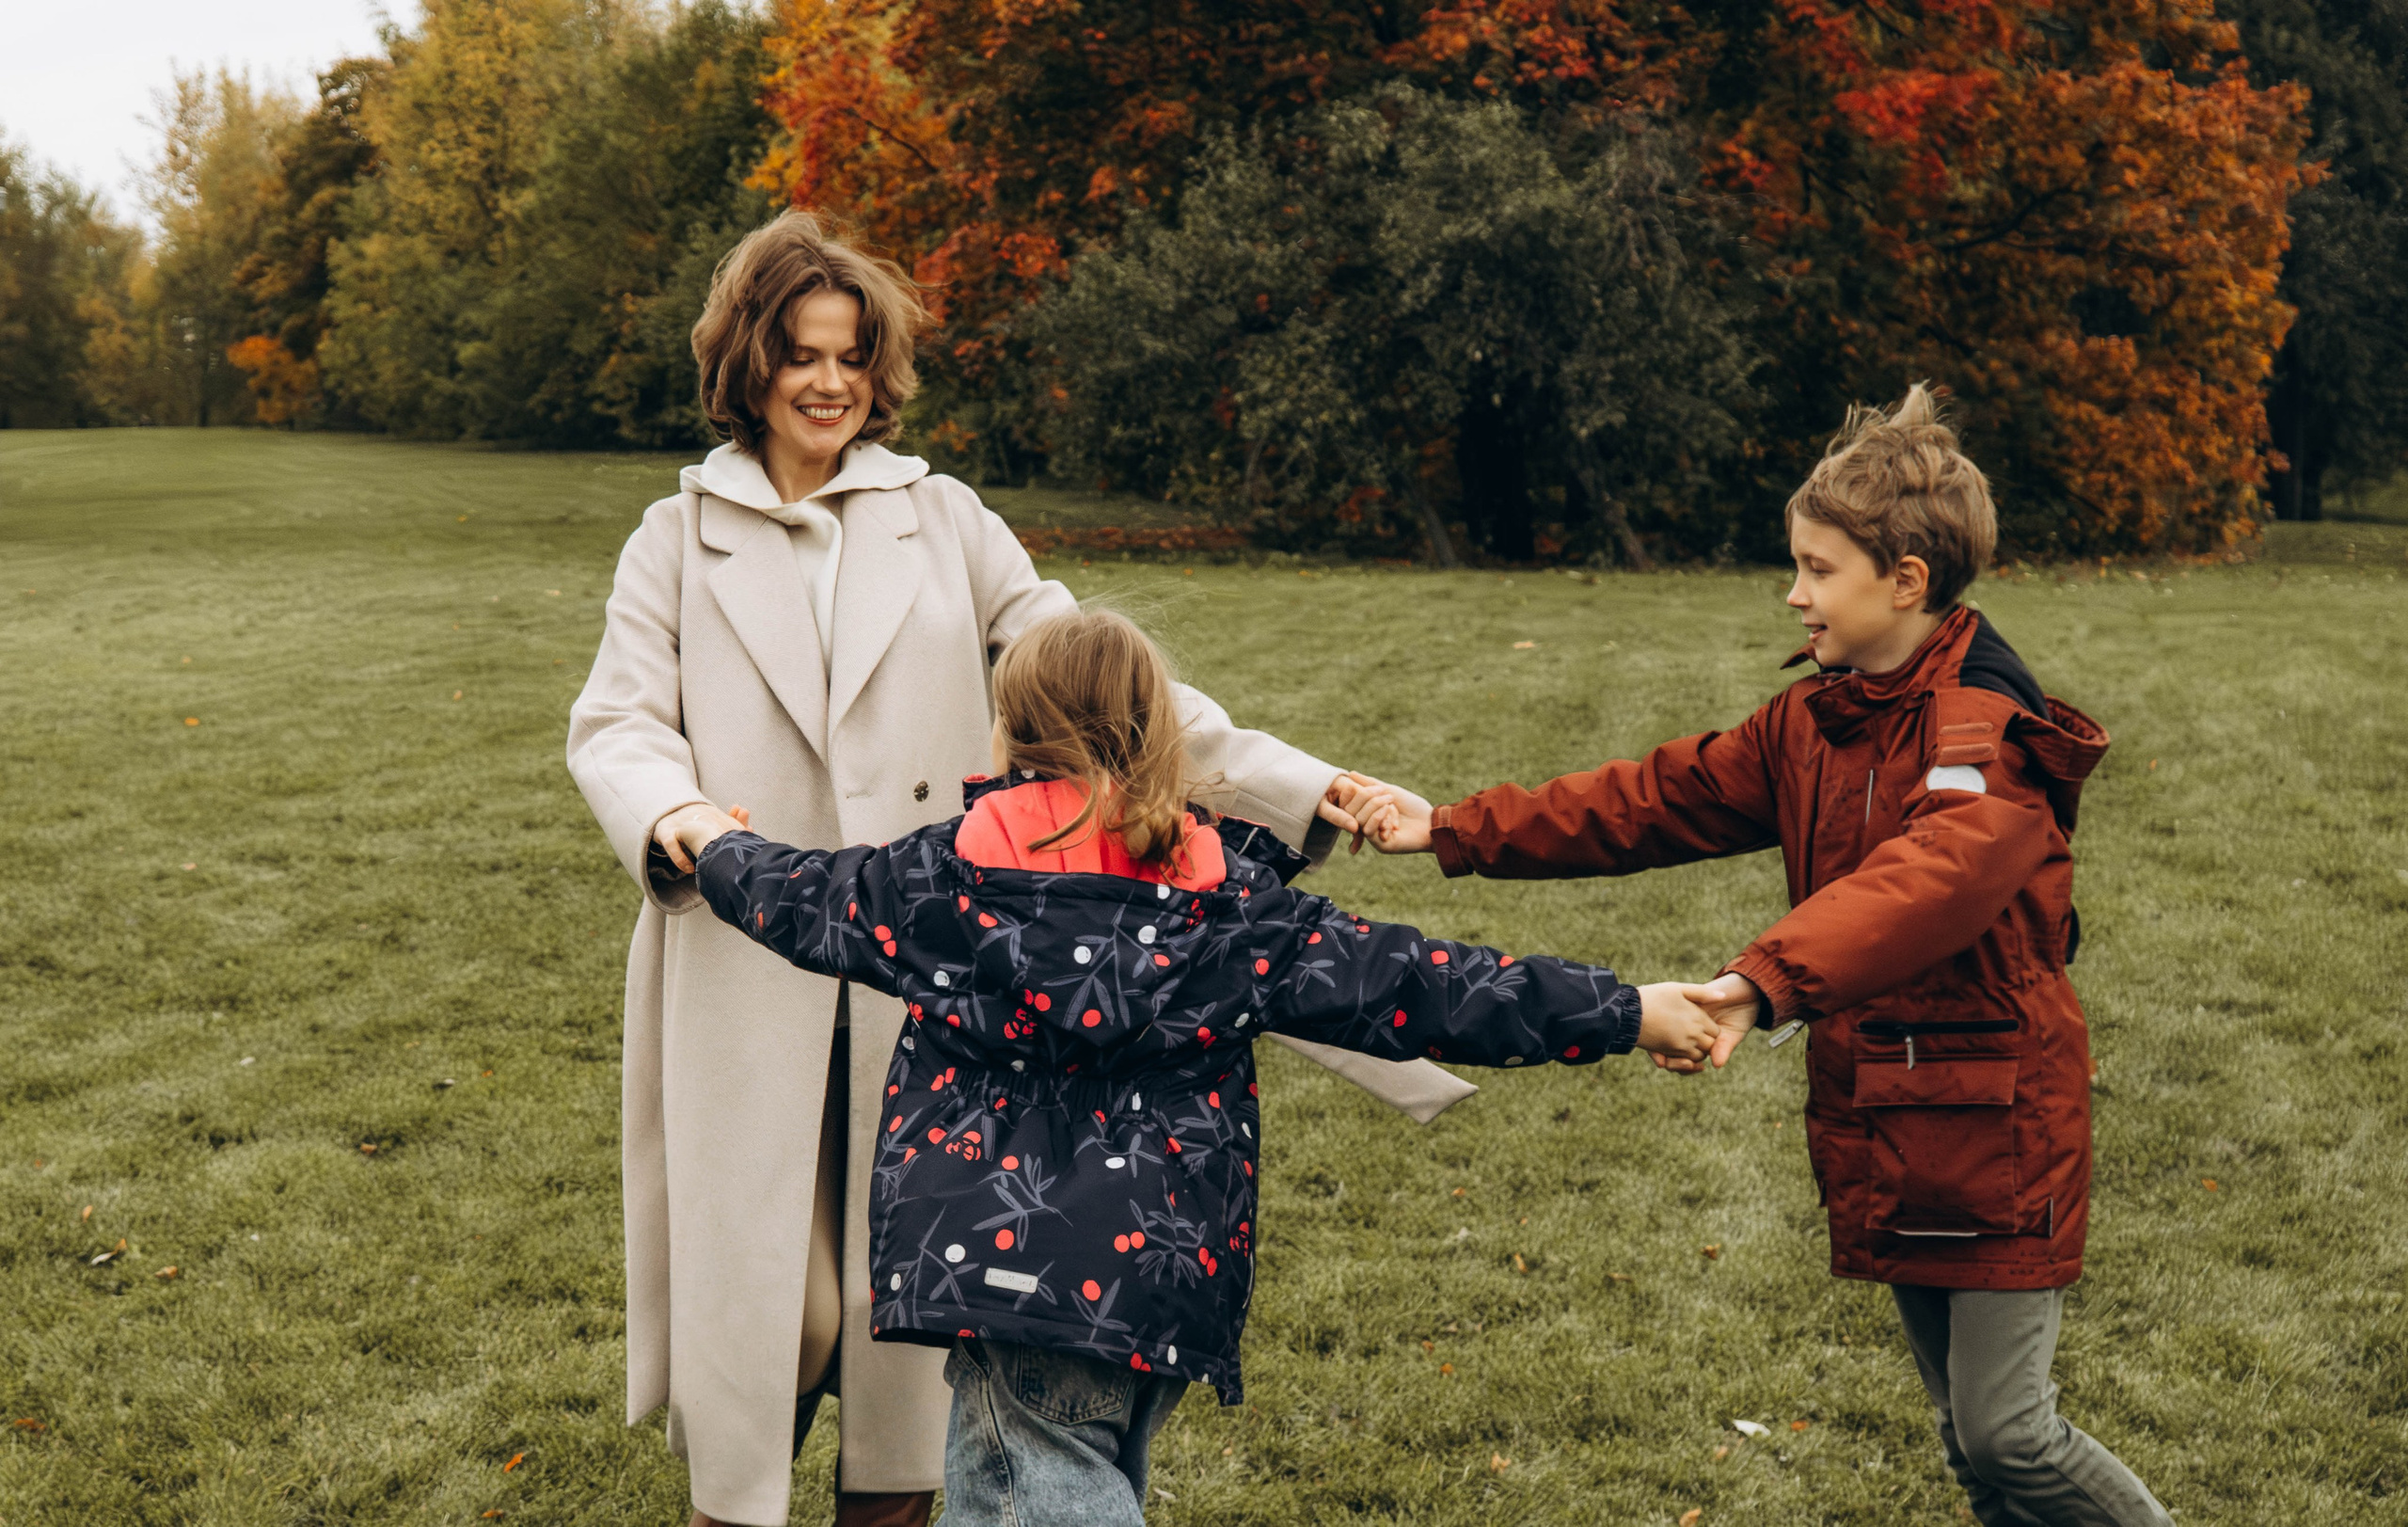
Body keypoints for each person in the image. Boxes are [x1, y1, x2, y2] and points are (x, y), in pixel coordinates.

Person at [565, 210, 1467, 1527]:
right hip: (745, 954)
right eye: (802, 355)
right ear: (748, 365)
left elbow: (1108, 685)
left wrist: (1305, 783)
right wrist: (685, 822)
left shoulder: (943, 518)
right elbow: (618, 722)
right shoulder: (672, 537)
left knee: (902, 1335)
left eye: (852, 358)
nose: (829, 384)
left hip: (940, 958)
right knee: (774, 1318)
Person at [657, 606, 1725, 1527]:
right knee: (1045, 1486)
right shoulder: (1232, 908)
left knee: (1034, 1491)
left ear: (1008, 731)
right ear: (1156, 735)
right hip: (1163, 1281)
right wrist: (1627, 1011)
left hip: (999, 1274)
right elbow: (1428, 985)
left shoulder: (938, 885)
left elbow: (795, 894)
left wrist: (706, 839)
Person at [1340, 387, 2170, 1527]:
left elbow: (1922, 884)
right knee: (1969, 1446)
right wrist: (1454, 825)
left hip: (1997, 1119)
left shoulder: (1986, 740)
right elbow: (1652, 800)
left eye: (1818, 570)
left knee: (2010, 1432)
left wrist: (1758, 983)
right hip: (1891, 1104)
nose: (1795, 594)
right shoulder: (1822, 719)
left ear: (1906, 582)